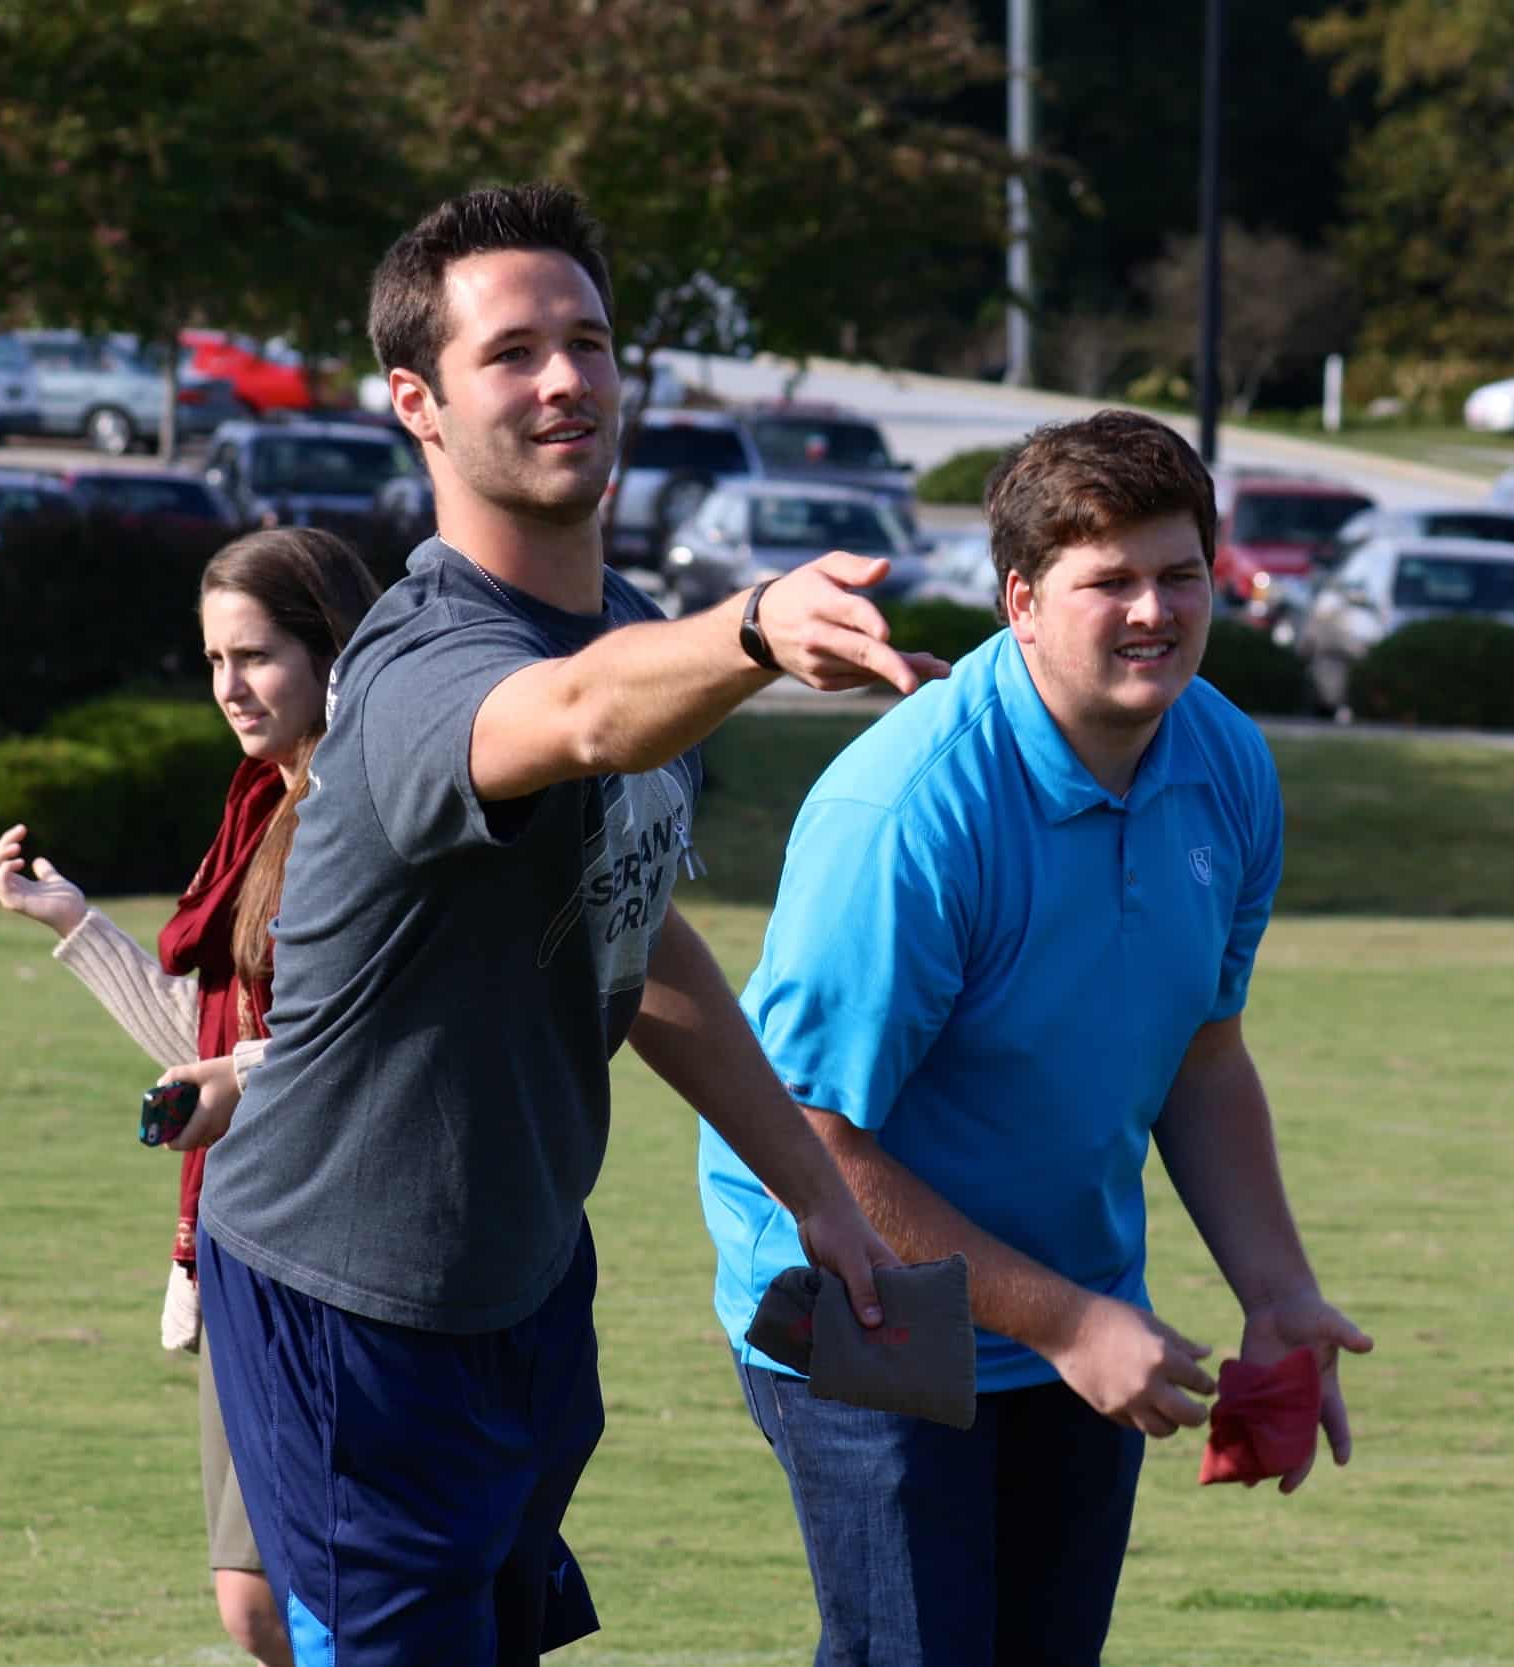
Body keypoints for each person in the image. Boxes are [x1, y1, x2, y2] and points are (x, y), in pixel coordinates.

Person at [168, 181, 939, 1666]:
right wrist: (758, 626)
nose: (567, 377)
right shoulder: (413, 666)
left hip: (522, 1278)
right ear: (420, 402)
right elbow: (573, 720)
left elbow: (636, 941)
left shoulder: (626, 626)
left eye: (588, 340)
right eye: (513, 351)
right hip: (351, 1298)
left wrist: (817, 1188)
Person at [696, 410, 1375, 1667]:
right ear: (1019, 598)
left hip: (1073, 1304)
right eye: (1106, 580)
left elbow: (1201, 1051)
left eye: (1178, 575)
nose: (1151, 612)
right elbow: (808, 1139)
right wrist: (1066, 1321)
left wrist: (1277, 1294)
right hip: (859, 1292)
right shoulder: (907, 810)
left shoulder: (1224, 762)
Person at [0, 526, 380, 1667]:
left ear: (328, 650)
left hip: (339, 1243)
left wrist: (243, 1076)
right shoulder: (262, 804)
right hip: (244, 1232)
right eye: (213, 661)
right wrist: (76, 926)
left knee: (334, 1597)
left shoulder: (362, 811)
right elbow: (217, 1039)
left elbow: (353, 1040)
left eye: (254, 656)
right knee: (256, 1602)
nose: (230, 688)